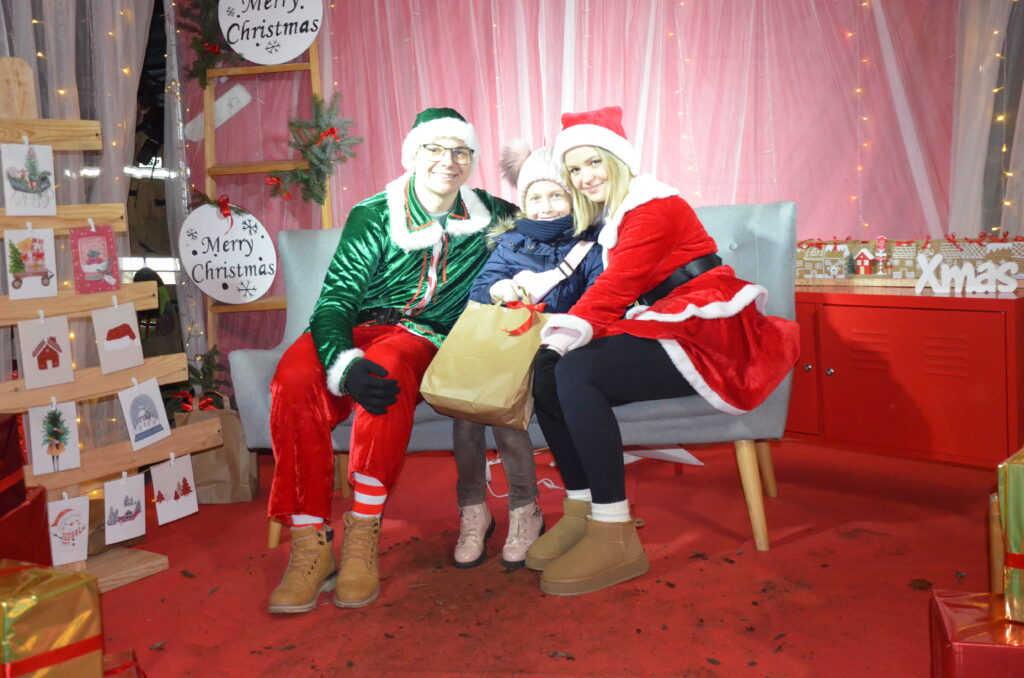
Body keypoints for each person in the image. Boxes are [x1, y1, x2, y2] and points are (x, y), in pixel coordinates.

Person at [525, 106, 800, 596]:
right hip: (667, 319)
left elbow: (617, 286)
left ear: (617, 159)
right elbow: (617, 291)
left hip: (708, 329)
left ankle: (614, 531)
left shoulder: (653, 206)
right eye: (574, 169)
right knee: (548, 374)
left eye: (593, 162)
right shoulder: (618, 214)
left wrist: (561, 339)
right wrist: (553, 342)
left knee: (574, 372)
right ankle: (582, 507)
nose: (585, 177)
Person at [266, 107, 517, 613]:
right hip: (354, 327)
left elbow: (557, 221)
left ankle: (362, 534)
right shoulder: (376, 213)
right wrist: (343, 362)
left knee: (388, 372)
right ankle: (311, 546)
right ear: (413, 154)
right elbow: (335, 300)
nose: (448, 160)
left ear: (471, 160)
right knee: (291, 379)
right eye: (435, 149)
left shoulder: (492, 215)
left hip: (421, 336)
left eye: (460, 151)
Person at [450, 143, 604, 569]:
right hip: (509, 342)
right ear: (523, 201)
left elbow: (600, 298)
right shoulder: (510, 241)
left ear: (574, 197)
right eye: (535, 197)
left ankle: (524, 509)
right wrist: (500, 289)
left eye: (556, 195)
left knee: (507, 404)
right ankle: (473, 510)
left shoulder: (591, 245)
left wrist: (560, 319)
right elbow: (481, 289)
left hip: (560, 346)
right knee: (466, 411)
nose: (545, 206)